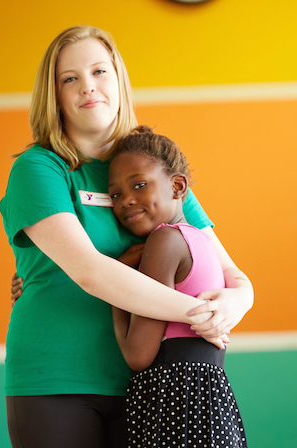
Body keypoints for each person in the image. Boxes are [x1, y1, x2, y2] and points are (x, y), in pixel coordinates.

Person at [0, 25, 253, 448]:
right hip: (56, 378)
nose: (88, 87)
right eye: (70, 78)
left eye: (100, 71)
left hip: (147, 386)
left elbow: (228, 271)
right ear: (55, 94)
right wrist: (200, 314)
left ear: (118, 80)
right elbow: (90, 272)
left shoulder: (150, 168)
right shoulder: (39, 168)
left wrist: (237, 302)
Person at [108, 125, 247, 448]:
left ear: (177, 186)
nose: (126, 201)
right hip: (209, 403)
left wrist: (115, 284)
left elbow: (137, 355)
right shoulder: (200, 242)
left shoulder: (164, 241)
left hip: (174, 403)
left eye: (139, 185)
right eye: (115, 195)